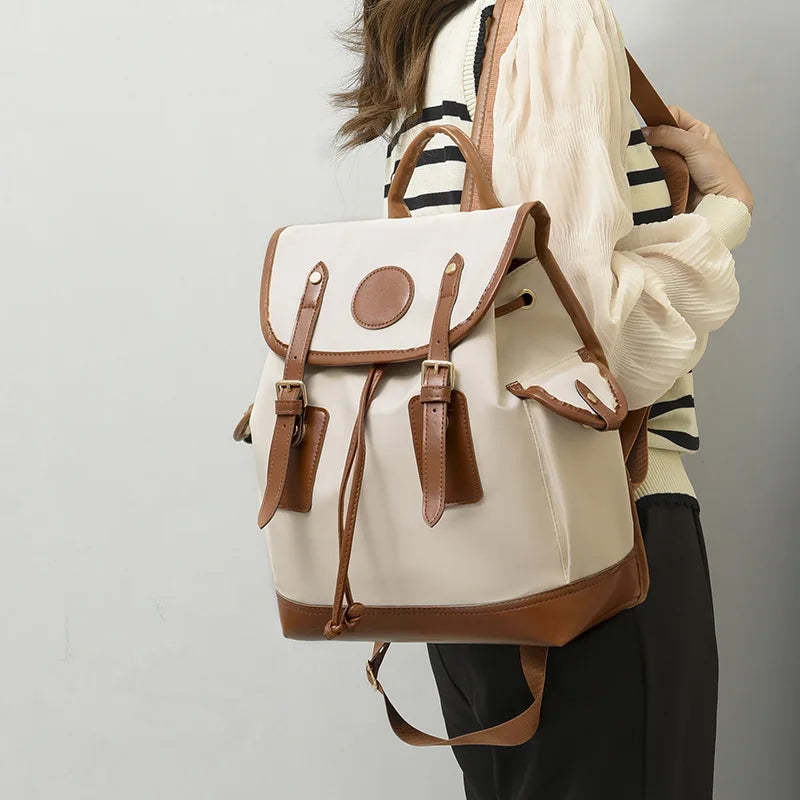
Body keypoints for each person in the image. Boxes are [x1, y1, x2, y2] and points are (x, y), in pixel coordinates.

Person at [336, 1, 754, 797]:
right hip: (601, 538)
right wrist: (724, 215)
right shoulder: (553, 22)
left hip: (465, 553)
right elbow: (598, 353)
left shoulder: (440, 44)